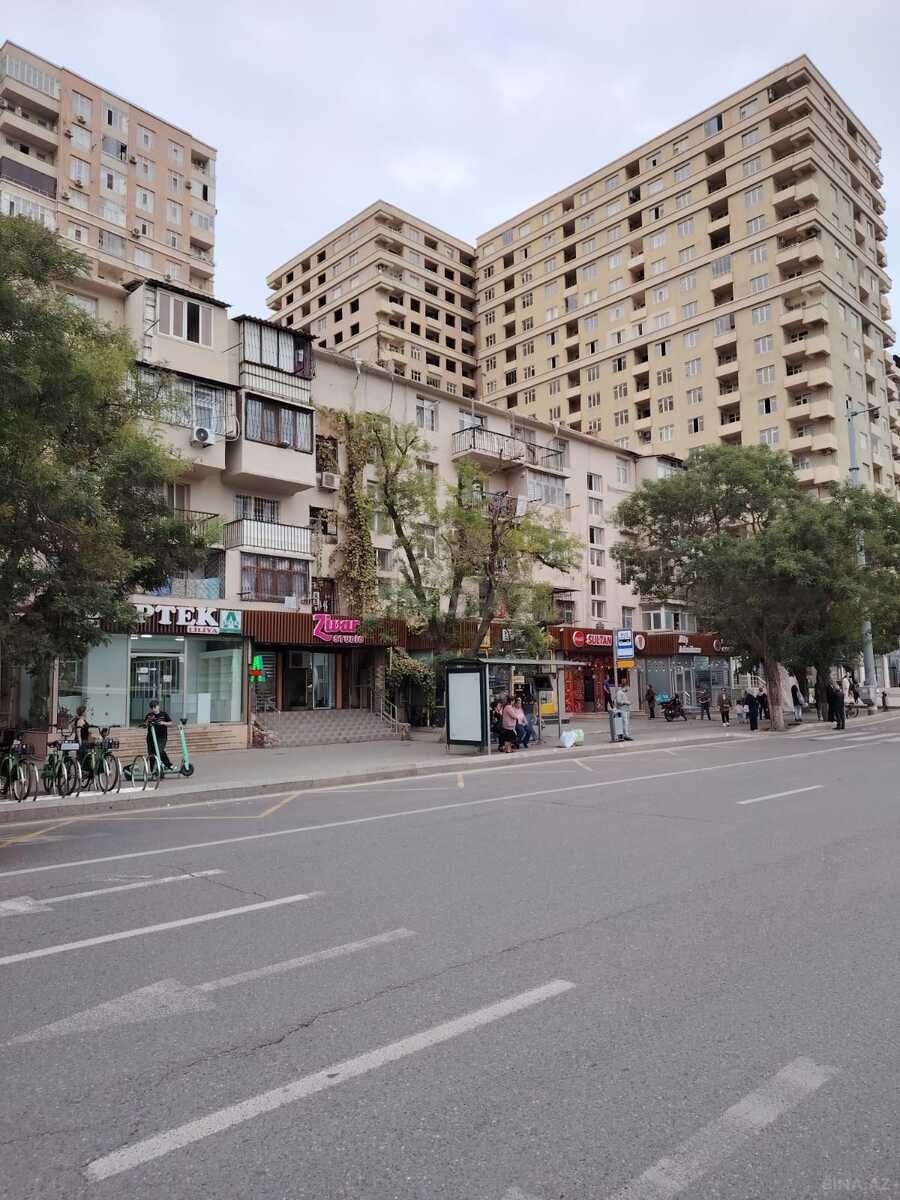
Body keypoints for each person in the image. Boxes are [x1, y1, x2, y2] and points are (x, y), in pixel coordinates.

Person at [145, 699, 174, 770]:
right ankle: (153, 770)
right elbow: (145, 725)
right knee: (151, 754)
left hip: (161, 737)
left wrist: (163, 723)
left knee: (159, 750)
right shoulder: (149, 715)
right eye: (152, 707)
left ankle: (168, 765)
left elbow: (170, 723)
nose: (153, 709)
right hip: (151, 737)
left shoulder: (164, 714)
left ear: (158, 706)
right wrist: (148, 721)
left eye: (155, 707)